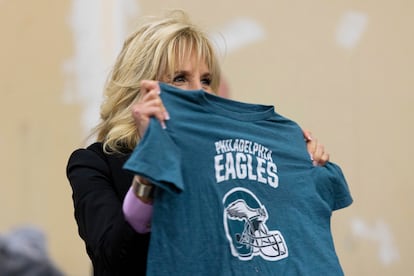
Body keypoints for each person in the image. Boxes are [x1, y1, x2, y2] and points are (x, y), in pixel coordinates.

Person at [66, 10, 341, 276]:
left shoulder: (234, 159)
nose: (199, 91)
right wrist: (152, 164)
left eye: (206, 80)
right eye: (180, 78)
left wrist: (302, 170)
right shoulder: (93, 163)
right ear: (140, 88)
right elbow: (114, 259)